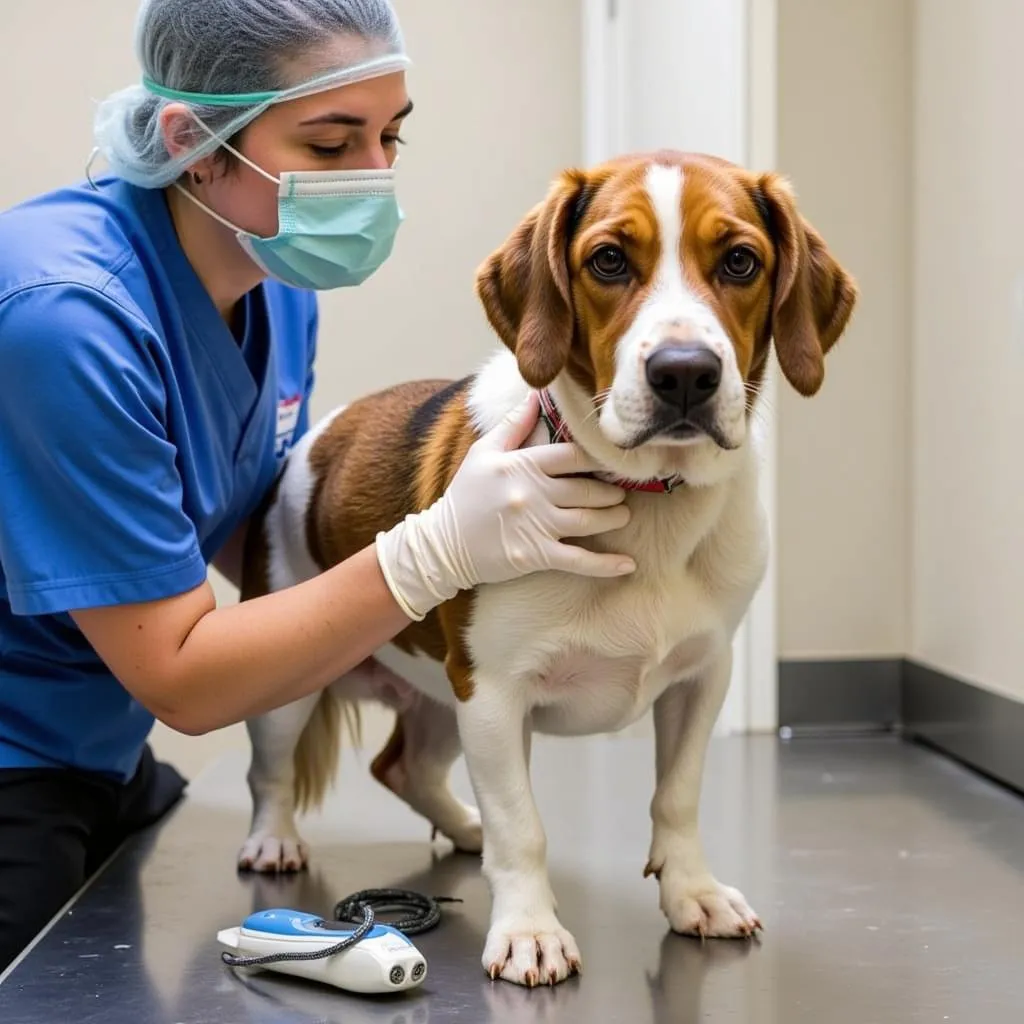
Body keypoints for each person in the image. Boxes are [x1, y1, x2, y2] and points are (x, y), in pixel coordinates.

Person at [0, 0, 637, 973]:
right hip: (18, 763)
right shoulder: (65, 320)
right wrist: (431, 549)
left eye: (390, 135)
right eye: (333, 143)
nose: (374, 177)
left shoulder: (271, 276)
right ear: (193, 142)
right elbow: (183, 676)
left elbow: (239, 519)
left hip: (102, 754)